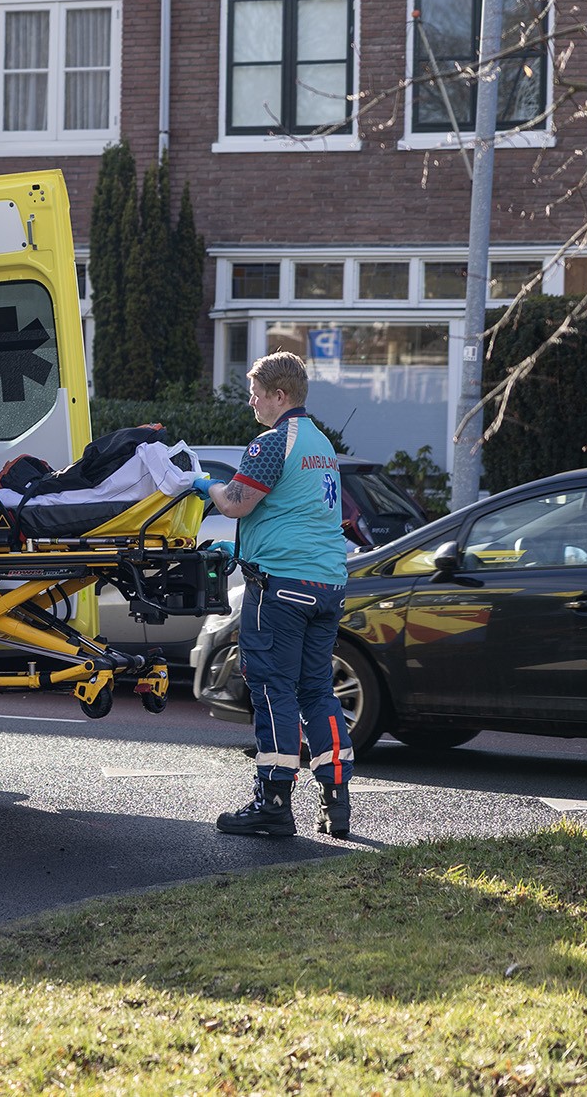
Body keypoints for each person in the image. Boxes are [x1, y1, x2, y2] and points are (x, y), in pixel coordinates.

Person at [191, 353, 354, 838]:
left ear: (279, 396)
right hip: (326, 586)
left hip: (281, 588)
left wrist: (205, 485)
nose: (251, 402)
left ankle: (274, 803)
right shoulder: (321, 442)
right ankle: (336, 801)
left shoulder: (273, 441)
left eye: (256, 394)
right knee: (317, 691)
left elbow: (236, 504)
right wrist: (243, 549)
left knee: (271, 689)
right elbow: (294, 511)